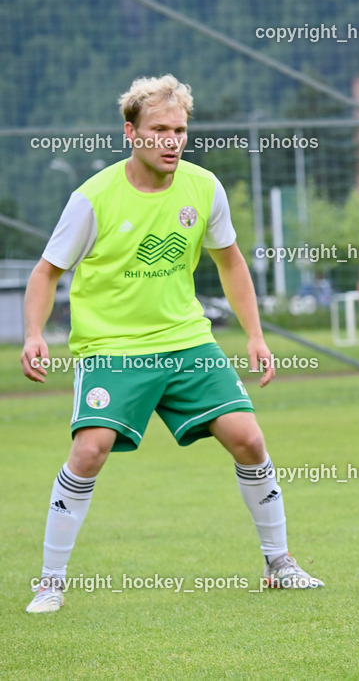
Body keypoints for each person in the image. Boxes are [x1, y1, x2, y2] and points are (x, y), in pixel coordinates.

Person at [21, 74, 322, 614]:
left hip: (186, 343)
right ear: (130, 133)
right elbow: (46, 272)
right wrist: (34, 334)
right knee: (90, 450)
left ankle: (280, 562)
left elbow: (230, 260)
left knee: (249, 439)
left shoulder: (204, 188)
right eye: (158, 129)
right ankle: (50, 580)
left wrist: (255, 334)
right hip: (112, 348)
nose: (171, 140)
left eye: (179, 130)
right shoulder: (92, 198)